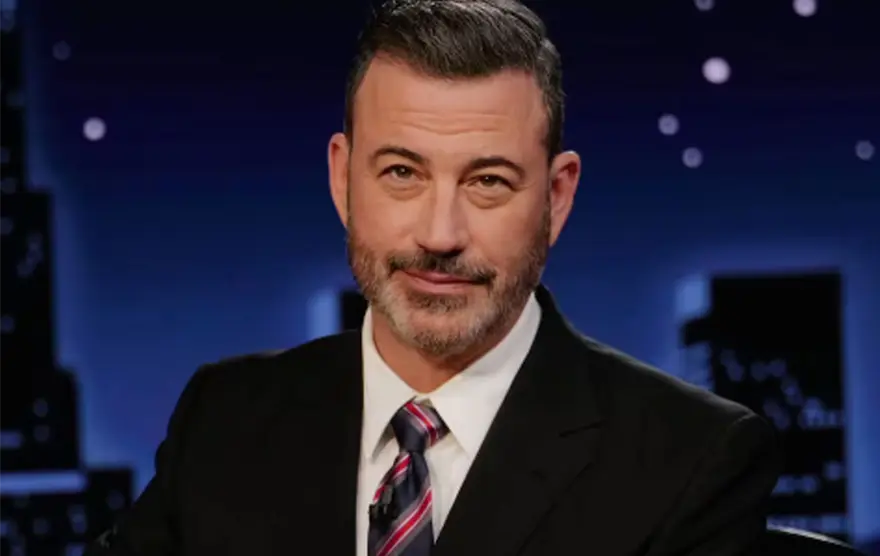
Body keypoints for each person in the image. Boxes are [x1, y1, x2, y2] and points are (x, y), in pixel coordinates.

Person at [85, 0, 781, 554]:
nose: (440, 234)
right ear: (342, 179)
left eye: (487, 181)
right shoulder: (224, 420)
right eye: (401, 173)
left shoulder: (691, 459)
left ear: (556, 196)